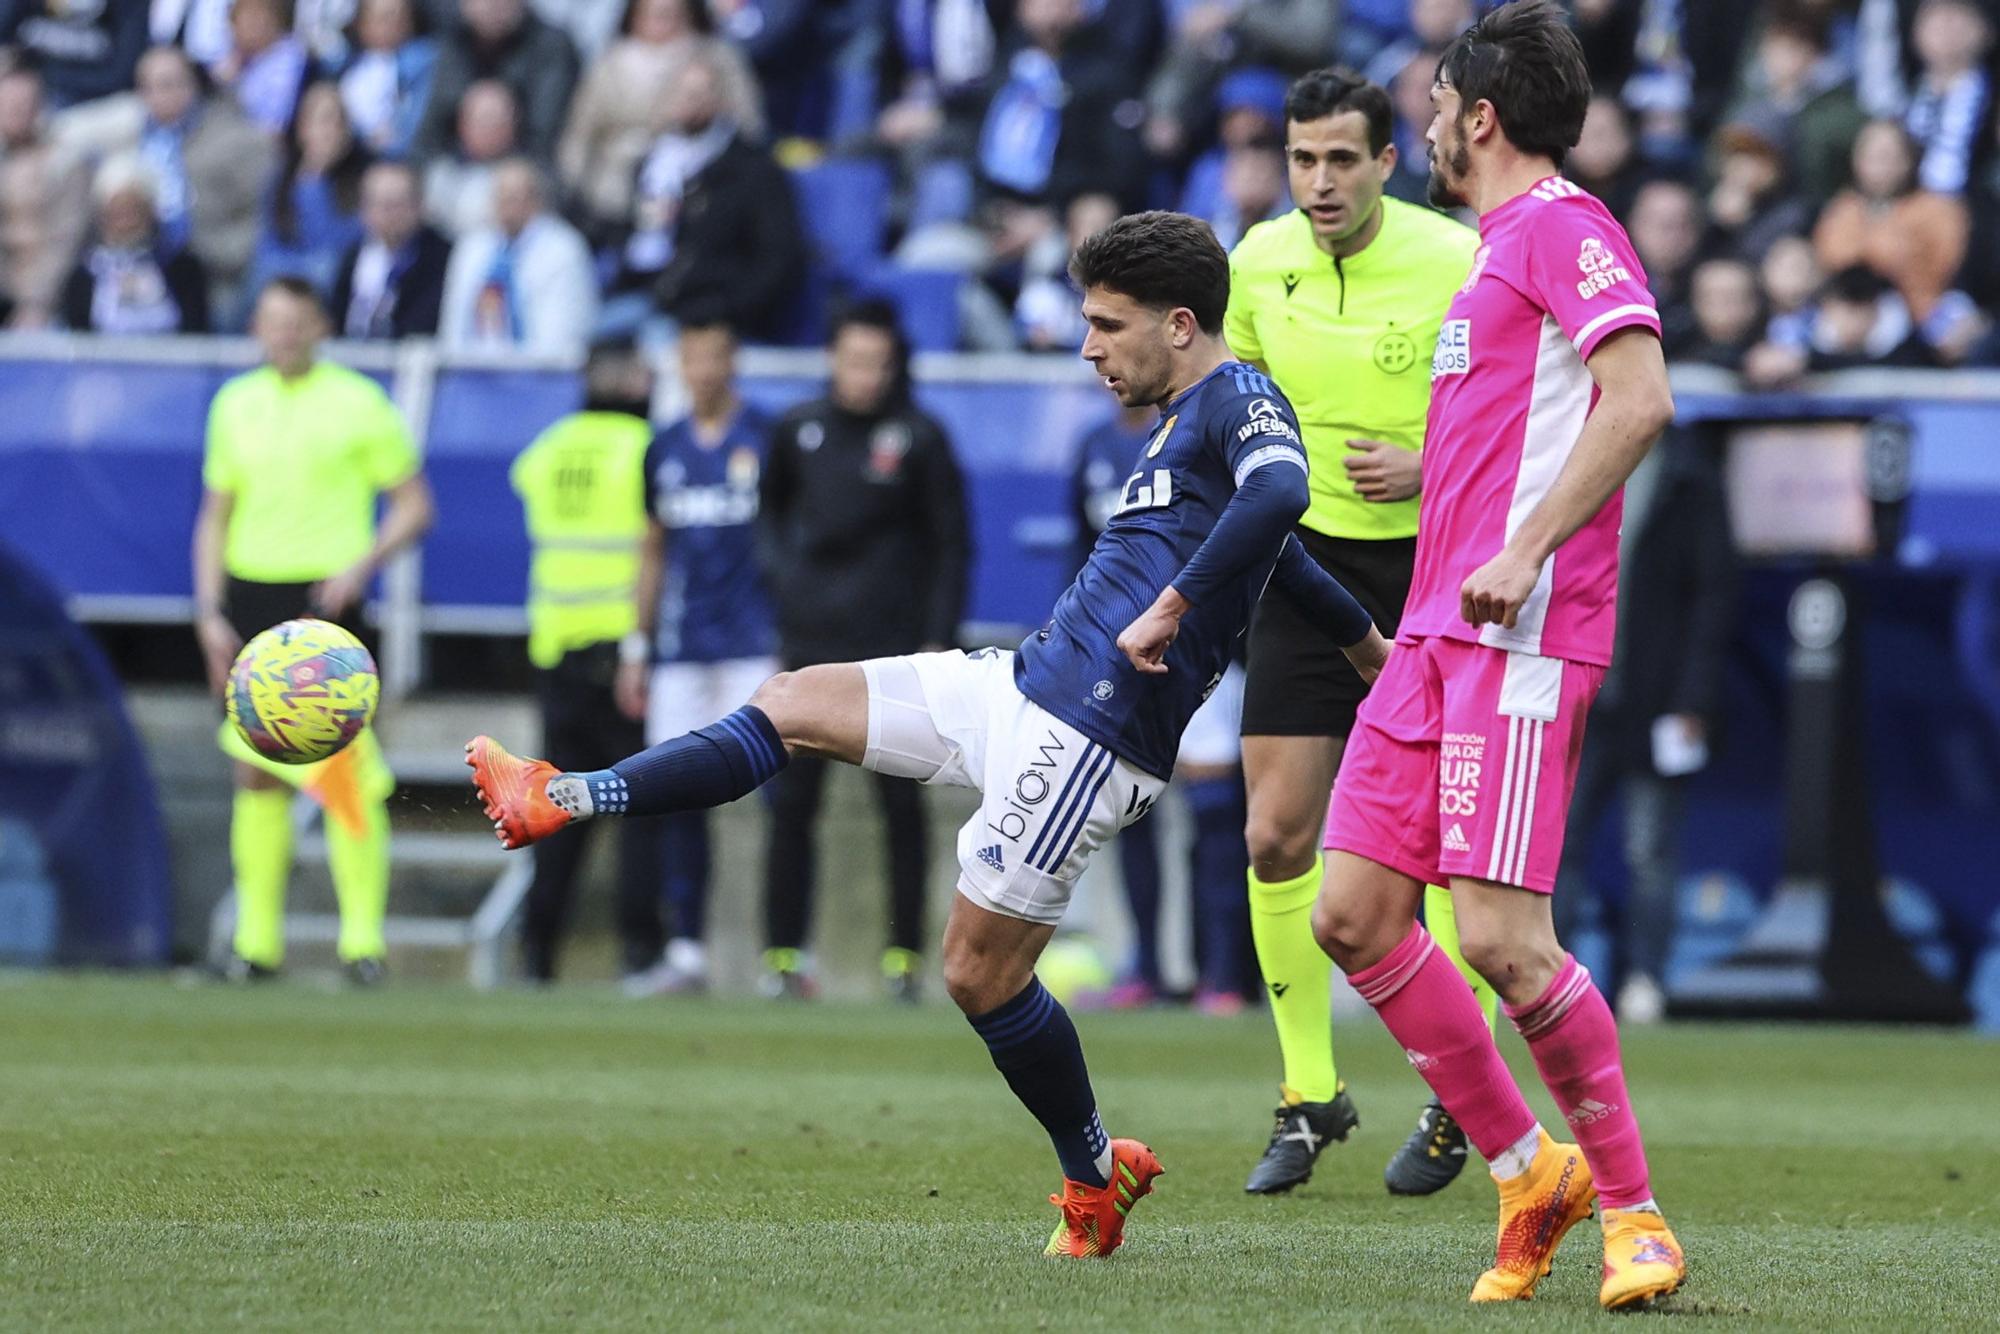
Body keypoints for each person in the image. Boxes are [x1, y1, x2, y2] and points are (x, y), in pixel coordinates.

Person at [468, 209, 1390, 1258]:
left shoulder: (1238, 395)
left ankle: (1092, 1174)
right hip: (1022, 683)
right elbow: (1283, 552)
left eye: (1106, 323)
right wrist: (1369, 648)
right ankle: (567, 792)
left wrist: (1175, 606)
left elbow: (1282, 492)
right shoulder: (1176, 421)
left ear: (1180, 324)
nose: (1087, 345)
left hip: (1089, 736)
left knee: (974, 973)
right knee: (790, 701)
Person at [1307, 2, 1685, 1310]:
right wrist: (1436, 472)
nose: (1416, 118)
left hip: (1517, 636)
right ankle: (1532, 1170)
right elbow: (1527, 423)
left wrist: (1522, 550)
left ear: (1479, 115)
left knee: (1503, 939)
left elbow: (1640, 400)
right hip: (1429, 637)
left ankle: (1636, 1213)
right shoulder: (1492, 250)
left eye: (1429, 99)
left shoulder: (1567, 230)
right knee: (1351, 914)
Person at [1222, 67, 1493, 1198]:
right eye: (1301, 159)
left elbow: (1521, 404)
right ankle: (1304, 1094)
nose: (1319, 181)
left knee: (1434, 849)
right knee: (1276, 832)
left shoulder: (1458, 255)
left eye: (1341, 158)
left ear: (1389, 160)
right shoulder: (1256, 258)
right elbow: (1233, 392)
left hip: (1433, 564)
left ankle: (1457, 1096)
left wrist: (1431, 468)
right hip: (1305, 560)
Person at [193, 276, 435, 984]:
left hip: (327, 605)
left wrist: (362, 566)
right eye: (271, 322)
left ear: (321, 326)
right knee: (253, 769)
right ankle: (255, 946)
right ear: (257, 329)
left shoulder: (359, 401)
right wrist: (209, 610)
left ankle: (362, 945)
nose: (284, 334)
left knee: (345, 772)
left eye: (296, 321)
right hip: (250, 597)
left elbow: (415, 505)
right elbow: (214, 513)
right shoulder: (235, 403)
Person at [752, 302, 968, 1001]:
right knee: (791, 809)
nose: (865, 376)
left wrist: (938, 637)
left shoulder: (922, 438)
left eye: (878, 362)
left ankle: (903, 959)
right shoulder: (797, 430)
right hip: (811, 649)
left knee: (900, 812)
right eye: (853, 360)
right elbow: (769, 518)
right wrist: (786, 592)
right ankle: (784, 957)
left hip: (893, 659)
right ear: (832, 359)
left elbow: (950, 545)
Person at [1067, 402, 1260, 1015]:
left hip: (1199, 650)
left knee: (1214, 822)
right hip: (1115, 656)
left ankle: (1223, 975)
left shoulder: (1206, 436)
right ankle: (1145, 965)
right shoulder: (1095, 443)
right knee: (1128, 816)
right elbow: (1083, 552)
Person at [614, 323, 778, 996]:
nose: (704, 369)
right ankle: (685, 948)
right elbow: (651, 550)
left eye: (715, 356)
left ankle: (779, 953)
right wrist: (637, 646)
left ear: (733, 361)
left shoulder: (768, 439)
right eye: (692, 358)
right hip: (681, 650)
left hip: (756, 642)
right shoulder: (663, 449)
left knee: (775, 796)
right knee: (676, 793)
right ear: (679, 365)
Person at [1554, 427, 1736, 1025]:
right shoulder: (1572, 452)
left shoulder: (1688, 476)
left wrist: (1694, 700)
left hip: (1656, 701)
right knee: (1559, 845)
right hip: (1579, 692)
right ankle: (1549, 979)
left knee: (1650, 849)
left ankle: (1645, 981)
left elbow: (1713, 598)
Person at [507, 341, 660, 986]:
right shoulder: (644, 448)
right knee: (639, 804)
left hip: (554, 645)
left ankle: (537, 950)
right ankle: (638, 953)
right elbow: (654, 542)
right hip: (620, 649)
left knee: (556, 807)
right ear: (629, 384)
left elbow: (525, 488)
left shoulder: (548, 446)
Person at [437, 157, 597, 355]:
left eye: (516, 197)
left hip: (538, 373)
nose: (507, 206)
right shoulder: (472, 248)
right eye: (500, 196)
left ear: (537, 200)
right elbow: (453, 324)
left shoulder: (563, 249)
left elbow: (563, 335)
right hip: (471, 373)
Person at [412, 0, 579, 165]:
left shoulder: (552, 45)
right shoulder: (452, 41)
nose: (493, 4)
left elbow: (544, 133)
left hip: (525, 166)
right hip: (455, 164)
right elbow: (432, 128)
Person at [248, 81, 371, 299]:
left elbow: (344, 246)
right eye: (322, 120)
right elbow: (268, 245)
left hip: (334, 281)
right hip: (284, 279)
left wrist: (319, 179)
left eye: (338, 122)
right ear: (302, 128)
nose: (330, 131)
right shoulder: (281, 179)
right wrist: (311, 175)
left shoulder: (364, 178)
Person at [61, 155, 210, 334]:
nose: (125, 223)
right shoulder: (84, 274)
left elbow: (197, 331)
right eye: (117, 214)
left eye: (133, 211)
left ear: (150, 211)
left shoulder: (182, 268)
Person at [0, 64, 89, 329]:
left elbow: (67, 239)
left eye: (25, 104)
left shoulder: (67, 163)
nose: (18, 113)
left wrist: (36, 303)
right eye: (9, 104)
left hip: (55, 295)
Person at [329, 160, 452, 338]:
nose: (388, 214)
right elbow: (336, 316)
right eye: (378, 204)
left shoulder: (442, 257)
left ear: (419, 205)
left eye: (397, 204)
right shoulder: (353, 255)